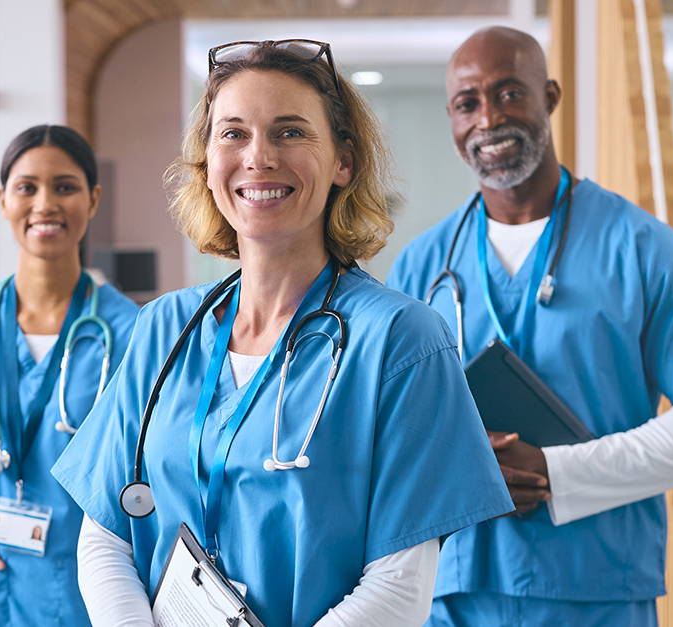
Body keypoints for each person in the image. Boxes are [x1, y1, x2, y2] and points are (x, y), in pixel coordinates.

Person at [50, 41, 513, 627]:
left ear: (344, 161)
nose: (259, 157)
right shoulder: (164, 328)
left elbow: (401, 585)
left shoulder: (401, 341)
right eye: (233, 133)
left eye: (290, 132)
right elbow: (104, 539)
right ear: (208, 161)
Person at [385, 27, 673, 626]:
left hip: (597, 591)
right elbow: (390, 433)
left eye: (510, 93)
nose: (488, 118)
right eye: (468, 103)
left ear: (550, 96)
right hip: (452, 594)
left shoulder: (640, 248)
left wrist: (559, 473)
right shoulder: (423, 265)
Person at [0, 124, 140, 627]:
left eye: (65, 186)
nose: (45, 203)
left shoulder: (136, 336)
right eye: (26, 187)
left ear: (93, 198)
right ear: (2, 200)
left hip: (86, 595)